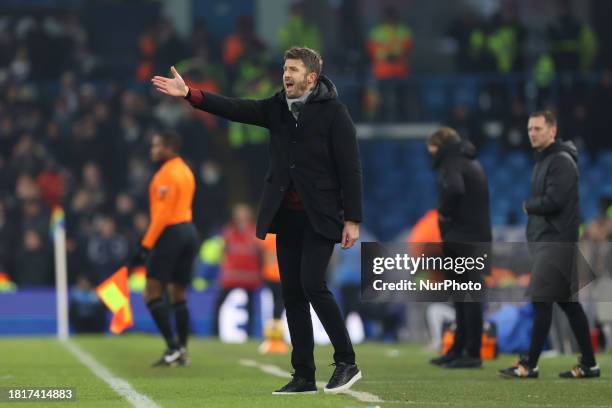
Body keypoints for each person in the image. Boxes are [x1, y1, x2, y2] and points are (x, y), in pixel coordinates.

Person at [152, 46, 363, 394]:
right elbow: (236, 108)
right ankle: (304, 375)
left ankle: (346, 362)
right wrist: (191, 94)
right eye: (285, 68)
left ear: (311, 78)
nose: (286, 74)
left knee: (313, 285)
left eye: (293, 69)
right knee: (292, 294)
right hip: (288, 216)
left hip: (321, 216)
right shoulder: (278, 107)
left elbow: (351, 168)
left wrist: (352, 218)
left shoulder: (335, 114)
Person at [499, 111, 600, 379]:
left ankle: (529, 364)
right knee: (568, 305)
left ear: (552, 131)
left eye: (538, 129)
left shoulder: (561, 161)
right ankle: (589, 364)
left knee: (541, 302)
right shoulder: (547, 160)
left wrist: (527, 206)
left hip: (556, 242)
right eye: (530, 129)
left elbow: (554, 201)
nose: (532, 133)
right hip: (551, 242)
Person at [129, 131, 198, 367]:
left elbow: (163, 214)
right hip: (189, 231)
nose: (153, 150)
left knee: (151, 293)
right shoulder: (186, 171)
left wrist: (145, 245)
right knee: (178, 294)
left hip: (171, 234)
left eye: (156, 146)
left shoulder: (166, 175)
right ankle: (182, 352)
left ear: (169, 148)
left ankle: (172, 347)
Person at [425, 127, 492, 369]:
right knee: (463, 297)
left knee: (468, 298)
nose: (430, 154)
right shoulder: (467, 160)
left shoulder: (452, 161)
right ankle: (458, 348)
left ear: (439, 146)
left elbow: (454, 189)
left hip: (465, 239)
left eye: (431, 148)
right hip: (474, 237)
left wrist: (443, 214)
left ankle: (471, 353)